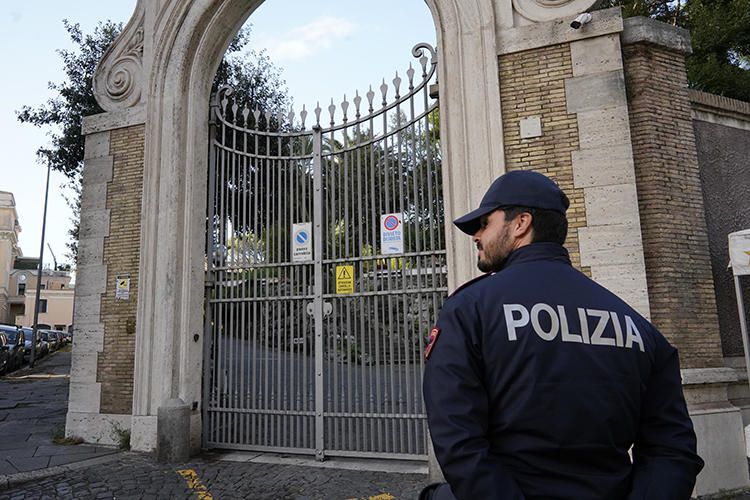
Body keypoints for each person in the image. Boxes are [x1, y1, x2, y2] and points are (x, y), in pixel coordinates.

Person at [422, 170, 703, 500]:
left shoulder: (469, 310)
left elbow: (458, 441)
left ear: (520, 223)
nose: (476, 236)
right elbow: (672, 450)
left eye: (484, 223)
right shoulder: (636, 326)